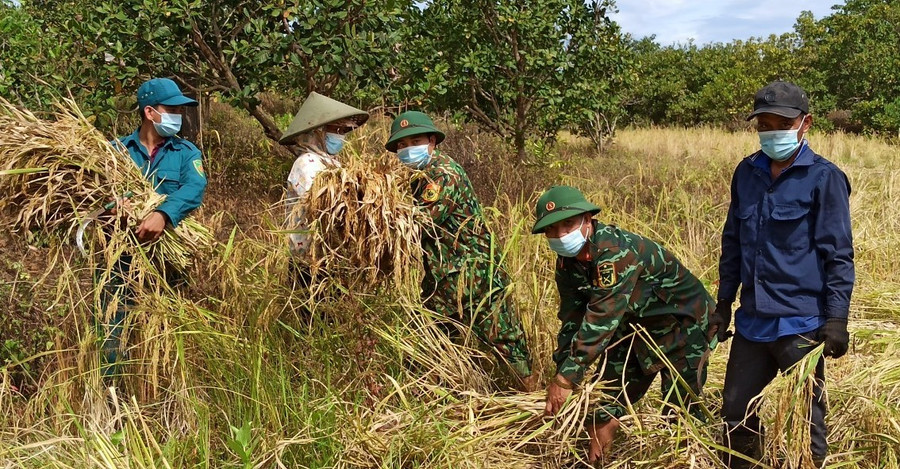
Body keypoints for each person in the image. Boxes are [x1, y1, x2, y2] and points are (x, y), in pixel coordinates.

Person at [713, 81, 854, 468]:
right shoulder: (746, 173)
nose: (772, 132)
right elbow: (733, 242)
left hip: (801, 323)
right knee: (735, 413)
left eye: (783, 124)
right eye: (764, 125)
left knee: (807, 420)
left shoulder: (824, 178)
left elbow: (838, 255)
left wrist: (837, 319)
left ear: (805, 123)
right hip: (752, 321)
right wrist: (723, 303)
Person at [532, 185, 713, 464]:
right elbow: (572, 318)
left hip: (682, 328)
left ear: (587, 220)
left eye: (567, 224)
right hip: (633, 331)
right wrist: (562, 373)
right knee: (603, 407)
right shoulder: (567, 264)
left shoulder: (614, 253)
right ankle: (597, 463)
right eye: (551, 230)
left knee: (680, 416)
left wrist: (567, 379)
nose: (560, 235)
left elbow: (601, 317)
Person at [384, 110, 533, 387]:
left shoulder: (442, 175)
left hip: (475, 275)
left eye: (415, 141)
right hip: (444, 276)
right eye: (402, 145)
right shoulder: (418, 176)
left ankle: (534, 400)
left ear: (432, 141)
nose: (407, 149)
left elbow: (421, 222)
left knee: (505, 343)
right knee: (429, 341)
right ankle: (439, 396)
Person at [101, 77, 208, 376]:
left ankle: (162, 395)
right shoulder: (115, 151)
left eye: (180, 110)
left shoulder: (186, 152)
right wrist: (111, 207)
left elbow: (194, 188)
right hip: (119, 261)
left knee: (165, 339)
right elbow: (93, 195)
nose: (179, 116)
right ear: (150, 112)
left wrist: (163, 214)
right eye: (172, 109)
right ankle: (112, 394)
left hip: (165, 265)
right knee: (113, 337)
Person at [278, 92, 368, 284]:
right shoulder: (306, 163)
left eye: (343, 131)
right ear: (317, 131)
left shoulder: (334, 163)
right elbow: (323, 204)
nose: (341, 136)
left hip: (332, 257)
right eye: (336, 129)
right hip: (308, 259)